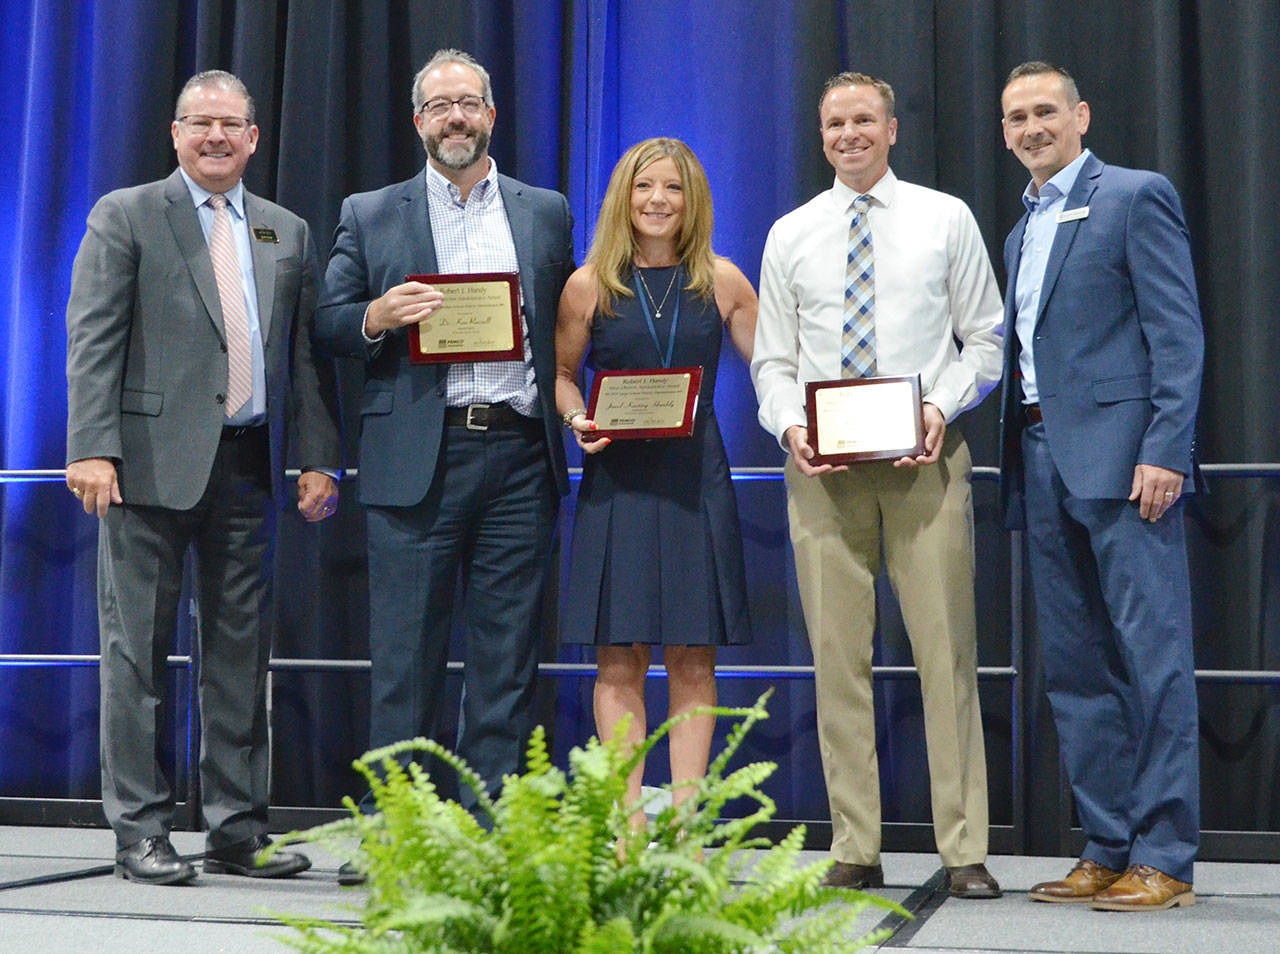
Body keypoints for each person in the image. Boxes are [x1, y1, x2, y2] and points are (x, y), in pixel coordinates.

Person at [64, 70, 340, 885]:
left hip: (248, 467)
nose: (216, 136)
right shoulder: (126, 214)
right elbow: (92, 339)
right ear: (175, 134)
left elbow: (306, 361)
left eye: (231, 124)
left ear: (255, 138)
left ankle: (236, 830)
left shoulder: (286, 230)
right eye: (200, 123)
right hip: (142, 470)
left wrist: (317, 455)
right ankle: (140, 833)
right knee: (137, 658)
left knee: (238, 661)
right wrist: (91, 446)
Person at [315, 49, 573, 879]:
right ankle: (397, 831)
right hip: (415, 458)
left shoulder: (546, 211)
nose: (455, 117)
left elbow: (569, 321)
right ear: (418, 120)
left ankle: (489, 831)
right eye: (439, 105)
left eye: (469, 103)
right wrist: (377, 316)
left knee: (506, 659)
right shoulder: (371, 211)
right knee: (404, 658)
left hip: (518, 452)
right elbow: (325, 323)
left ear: (492, 115)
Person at [751, 71, 1003, 898]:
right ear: (821, 135)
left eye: (864, 119)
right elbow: (773, 362)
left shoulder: (945, 218)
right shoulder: (791, 233)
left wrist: (938, 408)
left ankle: (964, 850)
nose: (849, 133)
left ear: (892, 128)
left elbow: (987, 342)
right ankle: (854, 846)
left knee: (947, 658)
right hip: (822, 477)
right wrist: (791, 428)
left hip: (926, 463)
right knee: (836, 663)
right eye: (834, 122)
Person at [998, 61, 1203, 912]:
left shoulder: (1134, 194)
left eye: (1046, 111)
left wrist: (1166, 447)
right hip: (1041, 456)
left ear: (1080, 115)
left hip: (1127, 465)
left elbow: (1177, 333)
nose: (1032, 127)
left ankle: (1165, 855)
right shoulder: (1017, 232)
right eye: (1016, 117)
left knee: (1152, 660)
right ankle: (1107, 843)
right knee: (1077, 669)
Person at [554, 138, 757, 817]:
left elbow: (778, 365)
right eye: (645, 188)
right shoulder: (589, 285)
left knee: (694, 659)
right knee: (619, 658)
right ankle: (626, 824)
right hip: (619, 483)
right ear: (624, 198)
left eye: (672, 189)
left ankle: (688, 822)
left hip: (696, 481)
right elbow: (558, 376)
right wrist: (578, 417)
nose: (658, 201)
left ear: (692, 200)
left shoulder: (724, 281)